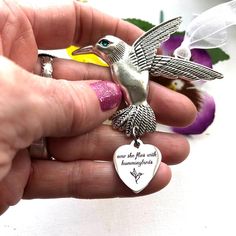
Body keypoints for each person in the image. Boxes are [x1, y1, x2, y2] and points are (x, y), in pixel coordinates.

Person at [0, 0, 197, 215]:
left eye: (102, 46)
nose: (97, 50)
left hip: (138, 105)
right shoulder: (115, 63)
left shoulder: (134, 55)